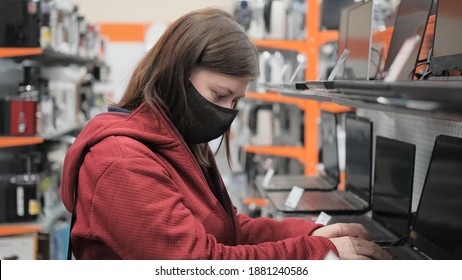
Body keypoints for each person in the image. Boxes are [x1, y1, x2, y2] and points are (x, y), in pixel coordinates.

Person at [60, 7, 391, 260]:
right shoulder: (122, 162)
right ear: (176, 74)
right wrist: (314, 252)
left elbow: (230, 231)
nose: (226, 111)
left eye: (236, 100)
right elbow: (200, 262)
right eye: (219, 95)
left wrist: (318, 233)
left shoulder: (182, 141)